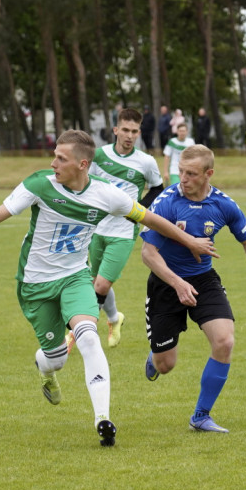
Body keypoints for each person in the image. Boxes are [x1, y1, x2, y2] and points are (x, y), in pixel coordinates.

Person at [0, 129, 217, 447]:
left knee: (88, 335)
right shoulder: (39, 184)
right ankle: (46, 369)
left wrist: (189, 240)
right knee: (55, 358)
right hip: (34, 285)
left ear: (82, 164)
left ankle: (103, 419)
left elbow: (150, 219)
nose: (53, 162)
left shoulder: (106, 195)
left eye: (61, 157)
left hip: (74, 278)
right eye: (54, 155)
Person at [141, 145, 246, 433]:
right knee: (166, 364)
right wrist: (177, 283)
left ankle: (201, 416)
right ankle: (155, 357)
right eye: (180, 172)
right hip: (166, 282)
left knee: (225, 341)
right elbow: (148, 253)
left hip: (203, 279)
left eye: (190, 174)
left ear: (208, 174)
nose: (182, 179)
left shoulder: (224, 205)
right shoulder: (167, 201)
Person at [72, 107, 163, 350]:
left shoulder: (146, 161)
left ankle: (77, 334)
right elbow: (85, 183)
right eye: (125, 130)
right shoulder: (99, 156)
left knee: (100, 286)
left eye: (134, 131)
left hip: (123, 232)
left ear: (139, 133)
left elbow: (157, 188)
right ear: (115, 130)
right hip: (96, 229)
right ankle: (114, 319)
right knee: (95, 281)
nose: (129, 135)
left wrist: (137, 213)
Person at [162, 122, 195, 186]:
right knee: (177, 189)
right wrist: (166, 172)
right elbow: (166, 156)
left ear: (187, 132)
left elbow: (193, 157)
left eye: (183, 131)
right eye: (180, 131)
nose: (182, 133)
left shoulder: (191, 142)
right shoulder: (172, 142)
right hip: (174, 170)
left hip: (187, 171)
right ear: (177, 131)